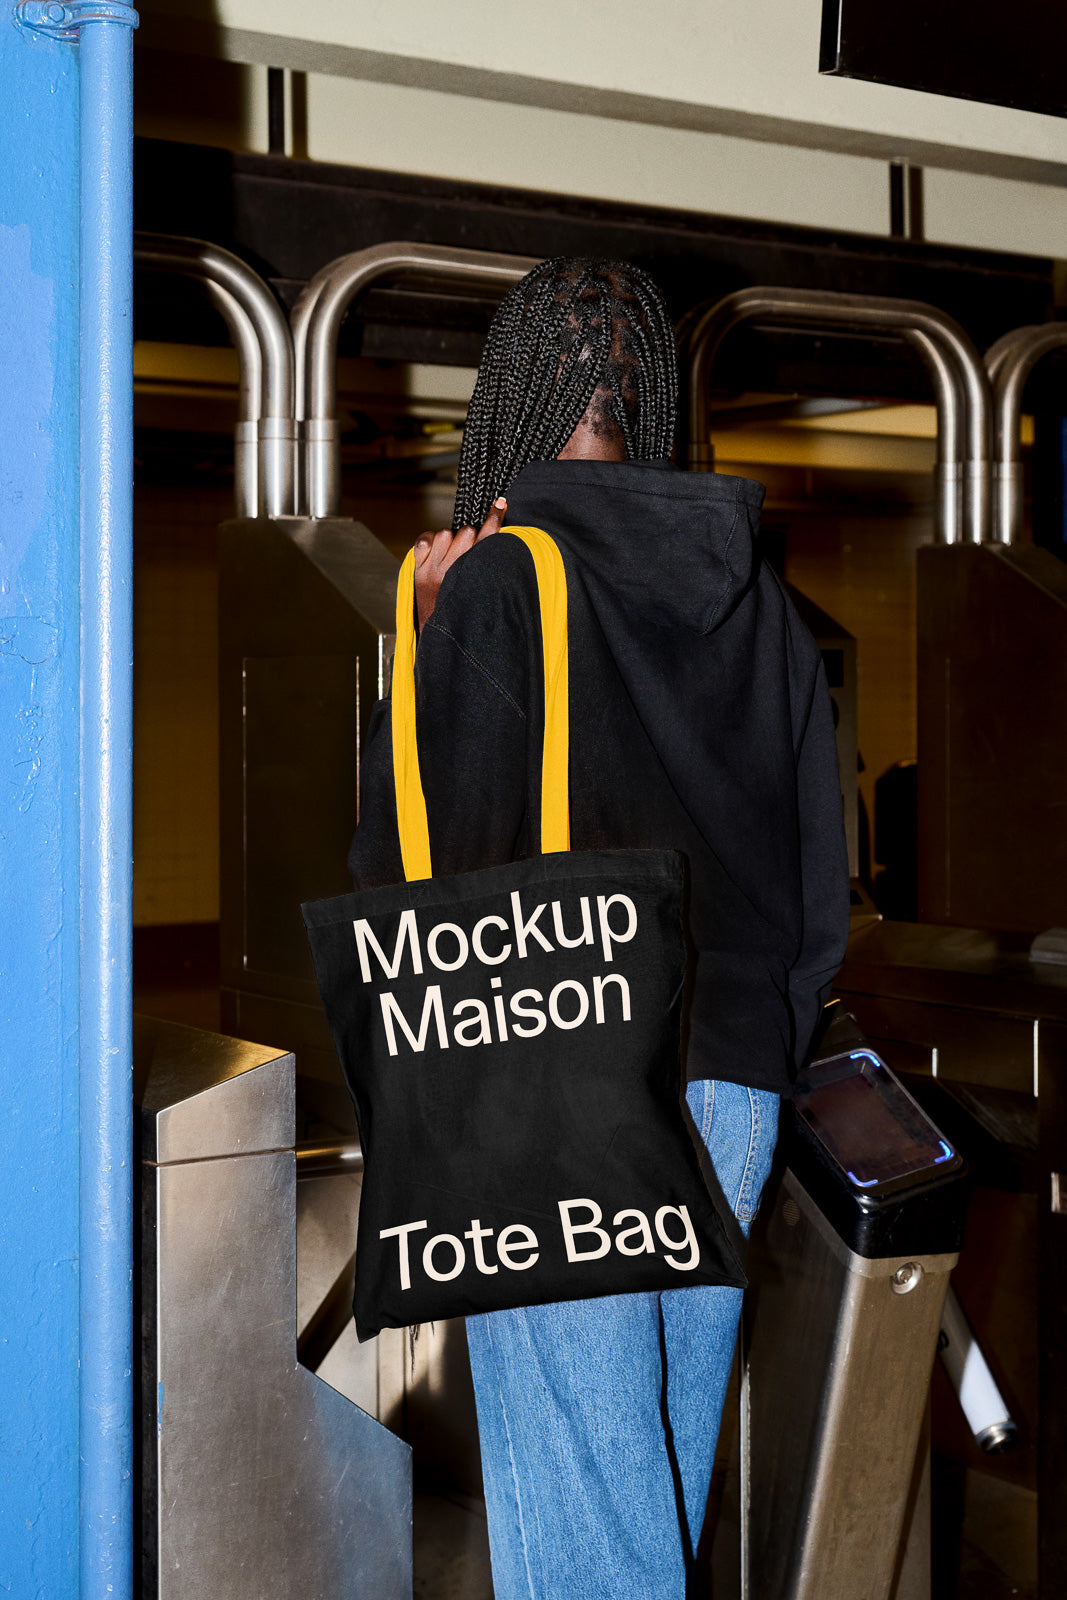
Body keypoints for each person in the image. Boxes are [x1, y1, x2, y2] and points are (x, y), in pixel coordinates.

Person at [348, 258, 849, 1600]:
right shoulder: (761, 602)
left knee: (587, 1522)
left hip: (562, 1073)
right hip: (732, 1089)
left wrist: (429, 648)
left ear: (506, 396)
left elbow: (422, 874)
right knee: (656, 1497)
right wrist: (756, 1046)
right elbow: (819, 876)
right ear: (653, 403)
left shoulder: (502, 583)